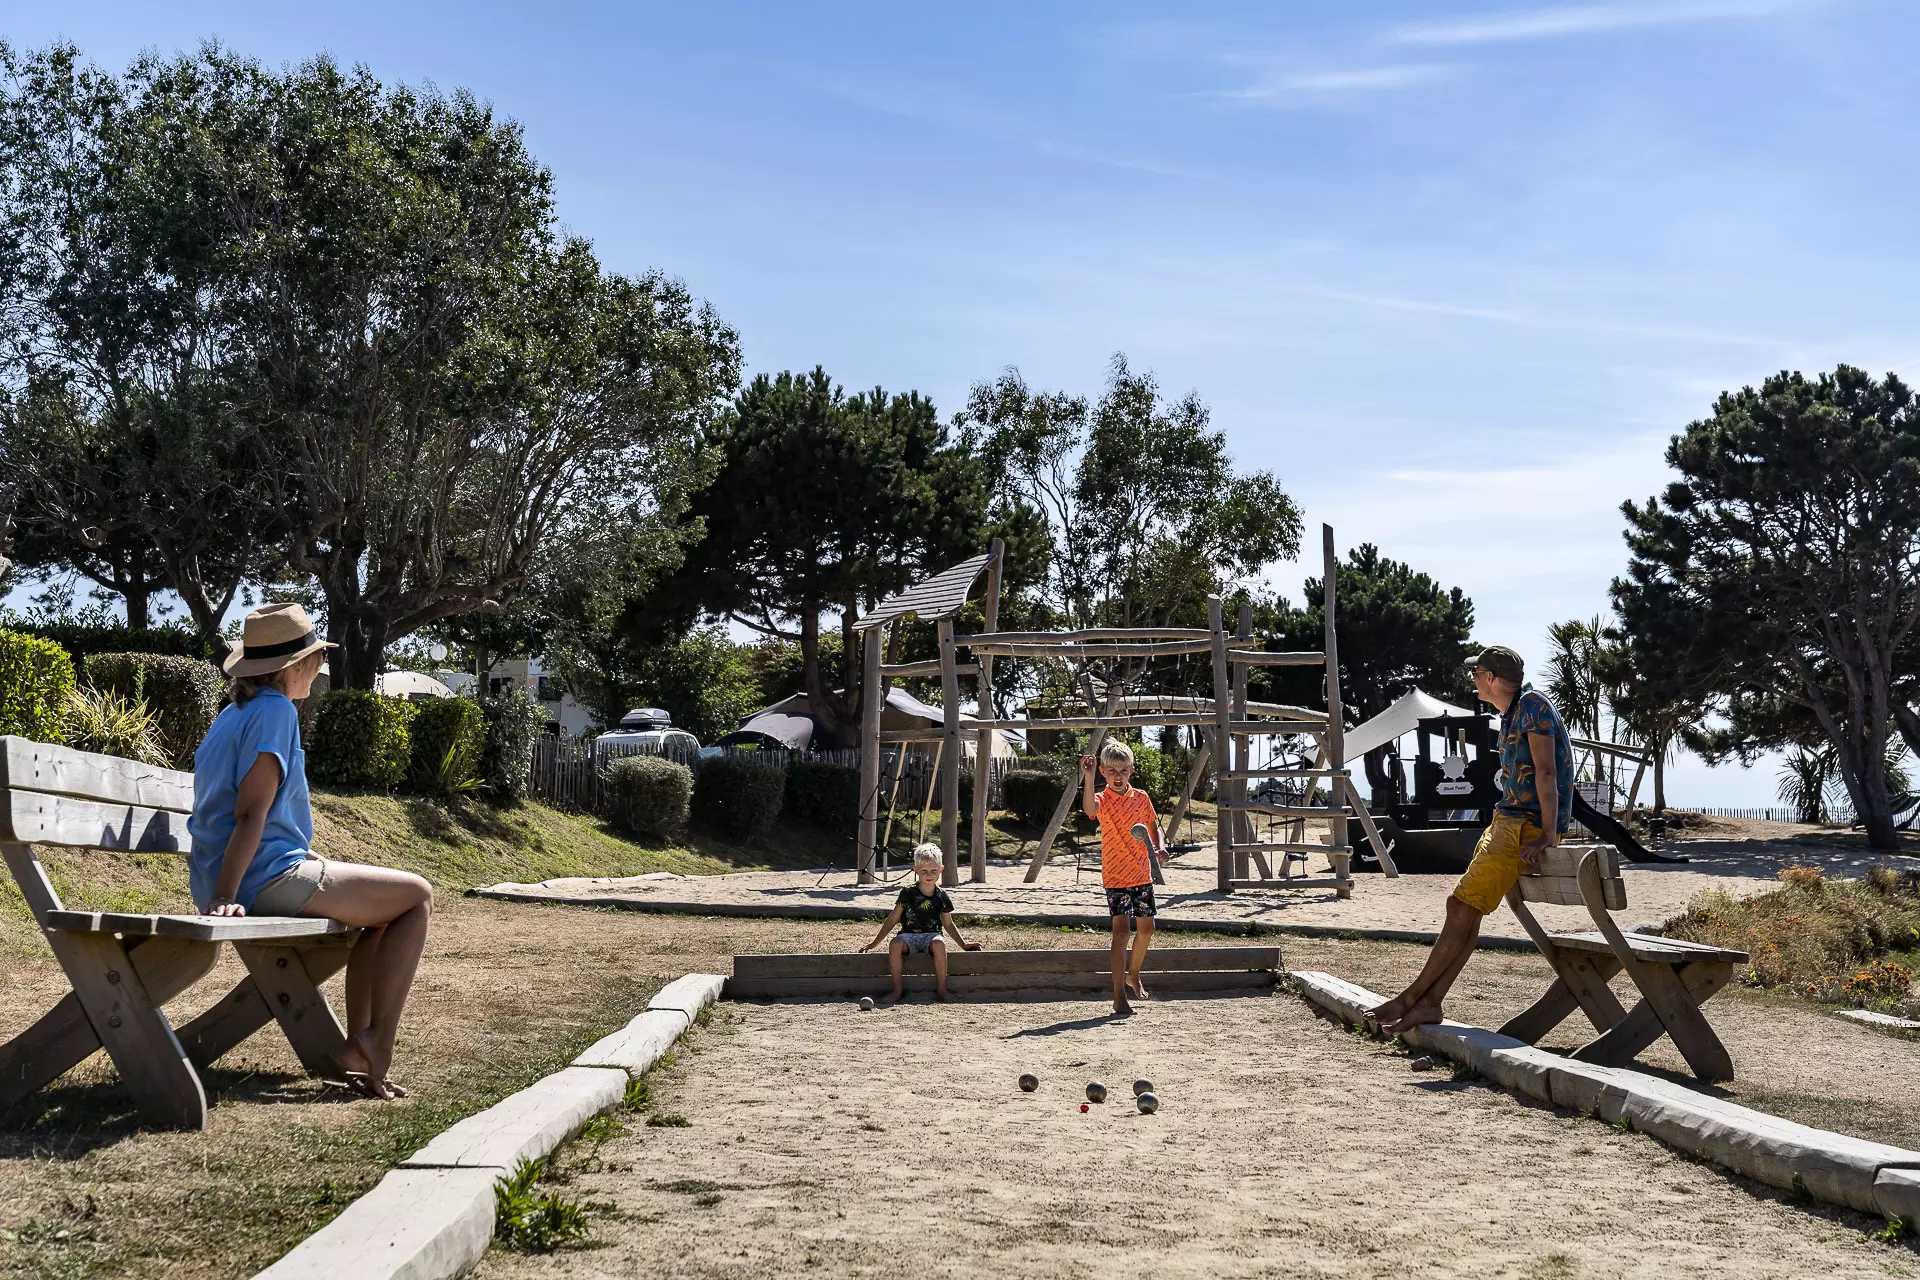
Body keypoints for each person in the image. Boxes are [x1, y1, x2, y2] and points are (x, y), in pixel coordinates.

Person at [187, 603, 435, 1100]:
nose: (321, 665)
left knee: (381, 917)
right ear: (292, 667)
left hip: (243, 872)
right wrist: (226, 895)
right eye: (316, 658)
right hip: (261, 877)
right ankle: (377, 1042)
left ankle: (361, 1050)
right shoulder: (276, 711)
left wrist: (224, 886)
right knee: (416, 897)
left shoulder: (235, 714)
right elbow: (250, 812)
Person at [1365, 646, 1574, 1034]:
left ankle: (1411, 999)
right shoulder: (1517, 710)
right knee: (1464, 908)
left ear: (1491, 678)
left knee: (1461, 906)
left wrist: (1548, 834)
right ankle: (1428, 1003)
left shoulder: (1532, 707)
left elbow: (1546, 773)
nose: (1473, 680)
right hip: (1508, 822)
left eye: (1476, 673)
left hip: (1521, 828)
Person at [1081, 740, 1164, 1016]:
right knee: (1121, 932)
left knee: (1147, 929)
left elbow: (1152, 825)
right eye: (1112, 770)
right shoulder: (1102, 799)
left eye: (1123, 770)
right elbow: (1089, 810)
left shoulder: (1141, 797)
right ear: (1103, 772)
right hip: (1115, 876)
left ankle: (1134, 974)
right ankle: (1119, 996)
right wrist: (1088, 777)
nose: (1118, 776)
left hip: (1141, 873)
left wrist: (1160, 847)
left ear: (1132, 771)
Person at [859, 843, 983, 1002]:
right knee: (895, 944)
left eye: (933, 871)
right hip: (908, 935)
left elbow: (948, 924)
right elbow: (893, 918)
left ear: (941, 869)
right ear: (915, 870)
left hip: (931, 936)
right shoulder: (907, 892)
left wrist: (964, 945)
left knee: (939, 943)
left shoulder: (942, 896)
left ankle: (942, 989)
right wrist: (875, 942)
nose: (929, 875)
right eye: (924, 871)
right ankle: (897, 990)